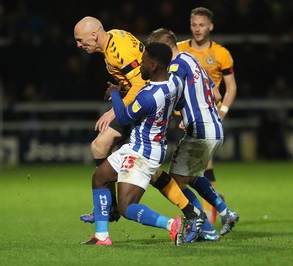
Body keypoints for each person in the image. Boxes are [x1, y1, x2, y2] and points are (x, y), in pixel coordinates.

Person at [74, 16, 207, 230]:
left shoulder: (119, 50)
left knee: (101, 147)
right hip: (147, 101)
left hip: (145, 105)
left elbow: (139, 84)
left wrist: (114, 110)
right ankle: (192, 212)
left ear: (94, 35)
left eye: (80, 40)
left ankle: (113, 208)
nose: (78, 45)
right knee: (150, 171)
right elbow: (133, 79)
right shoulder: (113, 38)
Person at [145, 28, 239, 240]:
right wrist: (191, 112)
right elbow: (215, 94)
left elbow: (169, 93)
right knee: (192, 175)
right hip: (214, 127)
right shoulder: (192, 59)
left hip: (201, 129)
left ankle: (201, 227)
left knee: (175, 182)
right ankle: (226, 212)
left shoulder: (176, 65)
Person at [177, 7, 238, 224]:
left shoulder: (221, 54)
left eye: (202, 25)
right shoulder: (179, 48)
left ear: (210, 26)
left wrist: (222, 111)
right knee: (195, 166)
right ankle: (215, 205)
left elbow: (231, 87)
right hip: (182, 117)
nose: (197, 29)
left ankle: (205, 214)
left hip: (208, 115)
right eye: (194, 24)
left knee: (200, 163)